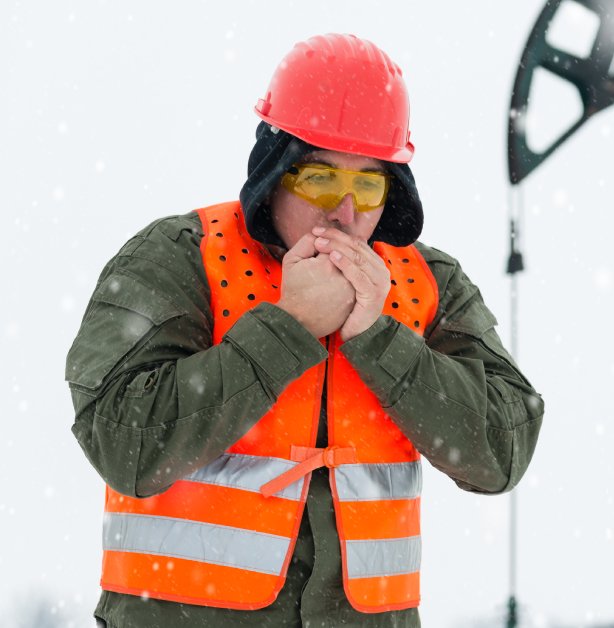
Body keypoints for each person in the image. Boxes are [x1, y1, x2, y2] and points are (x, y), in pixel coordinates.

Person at [65, 33, 544, 627]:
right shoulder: (179, 258)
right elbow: (122, 442)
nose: (343, 211)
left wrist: (381, 339)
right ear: (274, 170)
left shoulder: (427, 282)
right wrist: (286, 329)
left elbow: (502, 449)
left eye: (367, 184)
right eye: (319, 178)